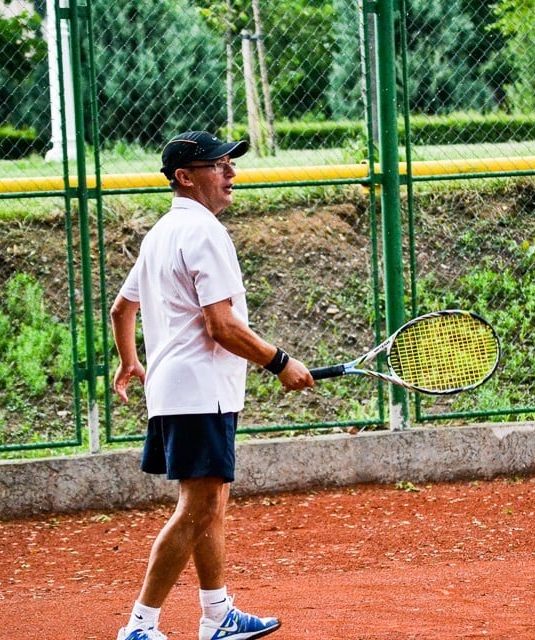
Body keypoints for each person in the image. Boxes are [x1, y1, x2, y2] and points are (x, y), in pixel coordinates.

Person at [110, 130, 315, 640]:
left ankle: (218, 614)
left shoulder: (159, 232)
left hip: (178, 390)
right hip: (200, 391)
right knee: (198, 507)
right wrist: (280, 361)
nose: (231, 174)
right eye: (219, 165)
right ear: (185, 176)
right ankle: (140, 626)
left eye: (230, 164)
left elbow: (122, 307)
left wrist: (130, 361)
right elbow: (219, 325)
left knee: (210, 503)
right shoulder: (203, 233)